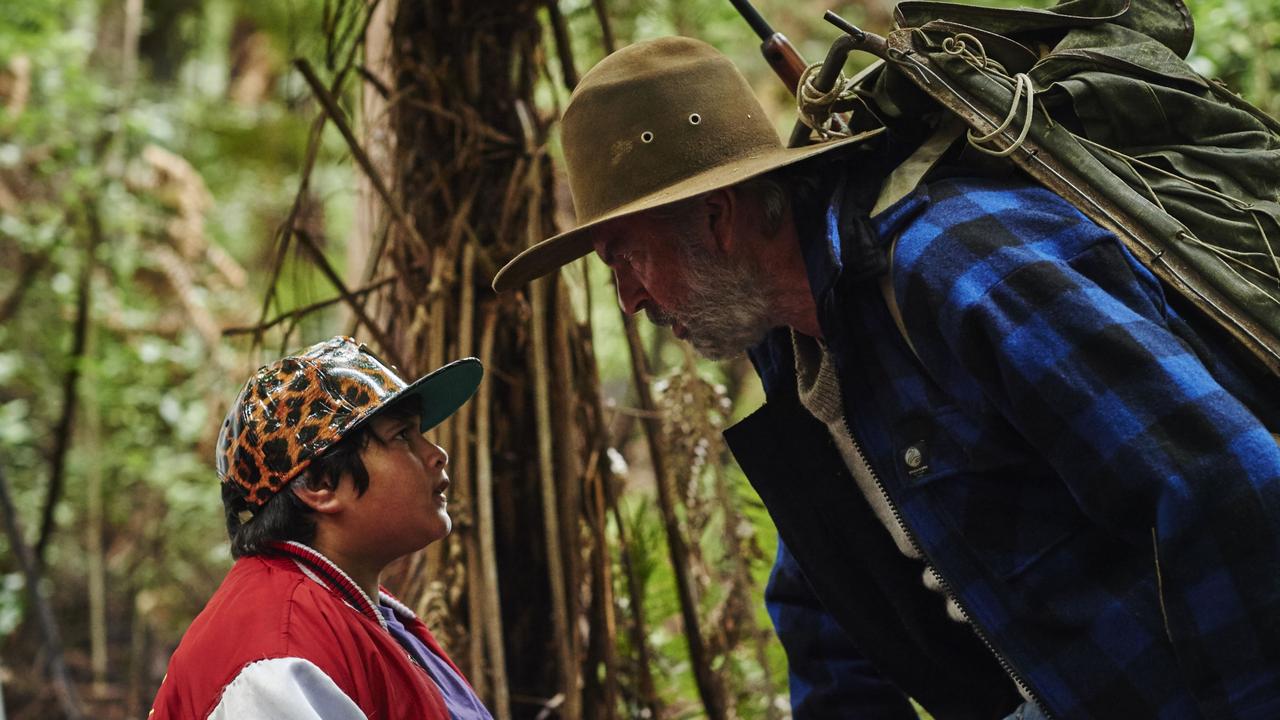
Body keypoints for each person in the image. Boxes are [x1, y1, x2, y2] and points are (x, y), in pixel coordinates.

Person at [492, 36, 1280, 719]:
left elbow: (1223, 486)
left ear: (717, 217)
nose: (629, 298)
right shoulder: (794, 346)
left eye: (626, 257)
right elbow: (831, 607)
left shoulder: (958, 265)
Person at [150, 336, 492, 720]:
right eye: (402, 436)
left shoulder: (356, 611)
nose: (437, 454)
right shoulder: (277, 659)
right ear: (319, 485)